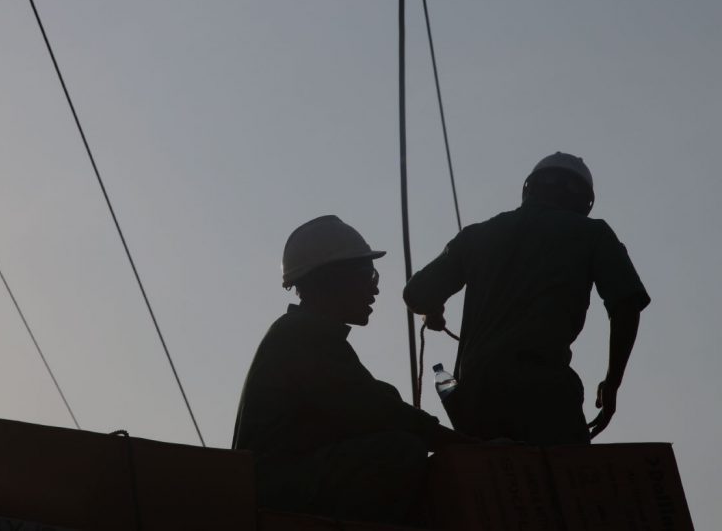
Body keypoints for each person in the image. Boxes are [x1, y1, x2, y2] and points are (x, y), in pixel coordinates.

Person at [233, 215, 476, 524]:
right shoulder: (304, 337)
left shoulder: (303, 335)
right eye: (367, 275)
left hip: (281, 482)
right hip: (276, 489)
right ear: (331, 280)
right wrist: (473, 449)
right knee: (398, 452)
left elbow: (370, 403)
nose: (374, 289)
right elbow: (378, 411)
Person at [403, 152, 650, 445]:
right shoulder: (592, 234)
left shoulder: (477, 235)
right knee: (567, 484)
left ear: (528, 189)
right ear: (585, 203)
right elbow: (626, 306)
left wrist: (434, 308)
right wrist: (612, 383)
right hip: (544, 392)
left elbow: (416, 294)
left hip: (476, 399)